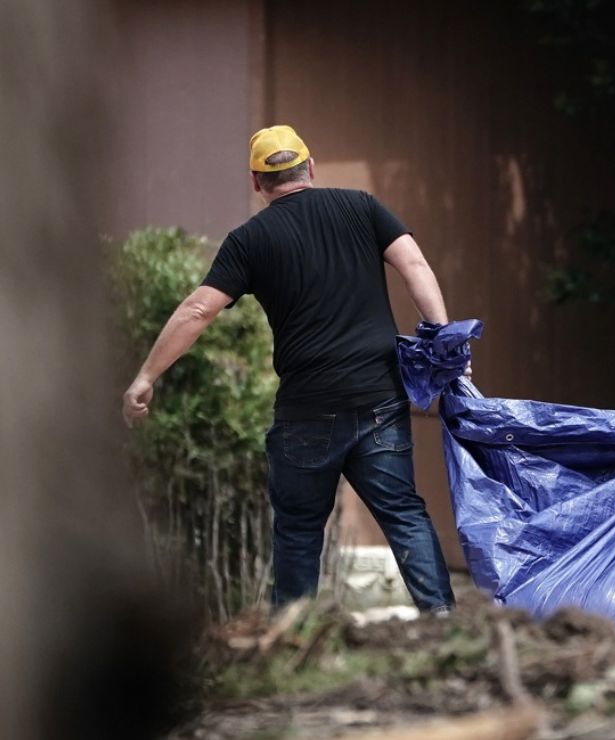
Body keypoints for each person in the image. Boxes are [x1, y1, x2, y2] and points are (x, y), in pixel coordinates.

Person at [122, 125, 456, 612]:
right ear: (311, 168)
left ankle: (292, 635)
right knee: (404, 513)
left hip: (307, 411)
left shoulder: (250, 240)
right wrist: (442, 336)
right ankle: (442, 618)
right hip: (379, 397)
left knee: (299, 530)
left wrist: (146, 377)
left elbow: (198, 311)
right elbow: (416, 265)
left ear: (257, 182)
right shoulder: (362, 207)